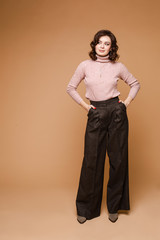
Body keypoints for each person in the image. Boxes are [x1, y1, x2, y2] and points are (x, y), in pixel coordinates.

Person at [66, 29, 140, 224]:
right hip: (95, 112)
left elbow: (135, 84)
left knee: (118, 160)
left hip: (116, 112)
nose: (102, 46)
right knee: (92, 160)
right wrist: (86, 107)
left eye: (106, 43)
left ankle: (114, 206)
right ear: (94, 44)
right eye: (99, 42)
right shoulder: (84, 65)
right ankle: (86, 208)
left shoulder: (118, 66)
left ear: (111, 47)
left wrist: (125, 104)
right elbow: (70, 88)